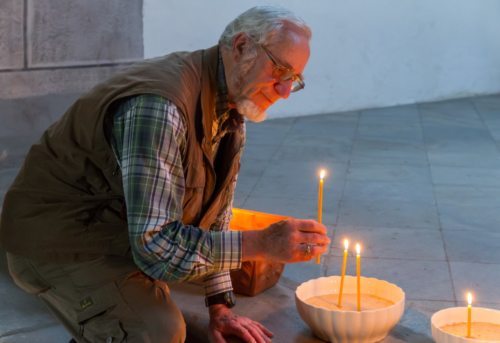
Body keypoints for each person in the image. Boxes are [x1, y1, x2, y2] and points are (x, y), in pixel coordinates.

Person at [0, 6, 330, 343]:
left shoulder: (231, 110)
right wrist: (262, 243)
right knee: (158, 331)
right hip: (57, 242)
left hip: (115, 230)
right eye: (281, 70)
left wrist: (220, 306)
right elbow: (156, 249)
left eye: (295, 80)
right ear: (242, 46)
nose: (285, 90)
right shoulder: (161, 106)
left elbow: (216, 216)